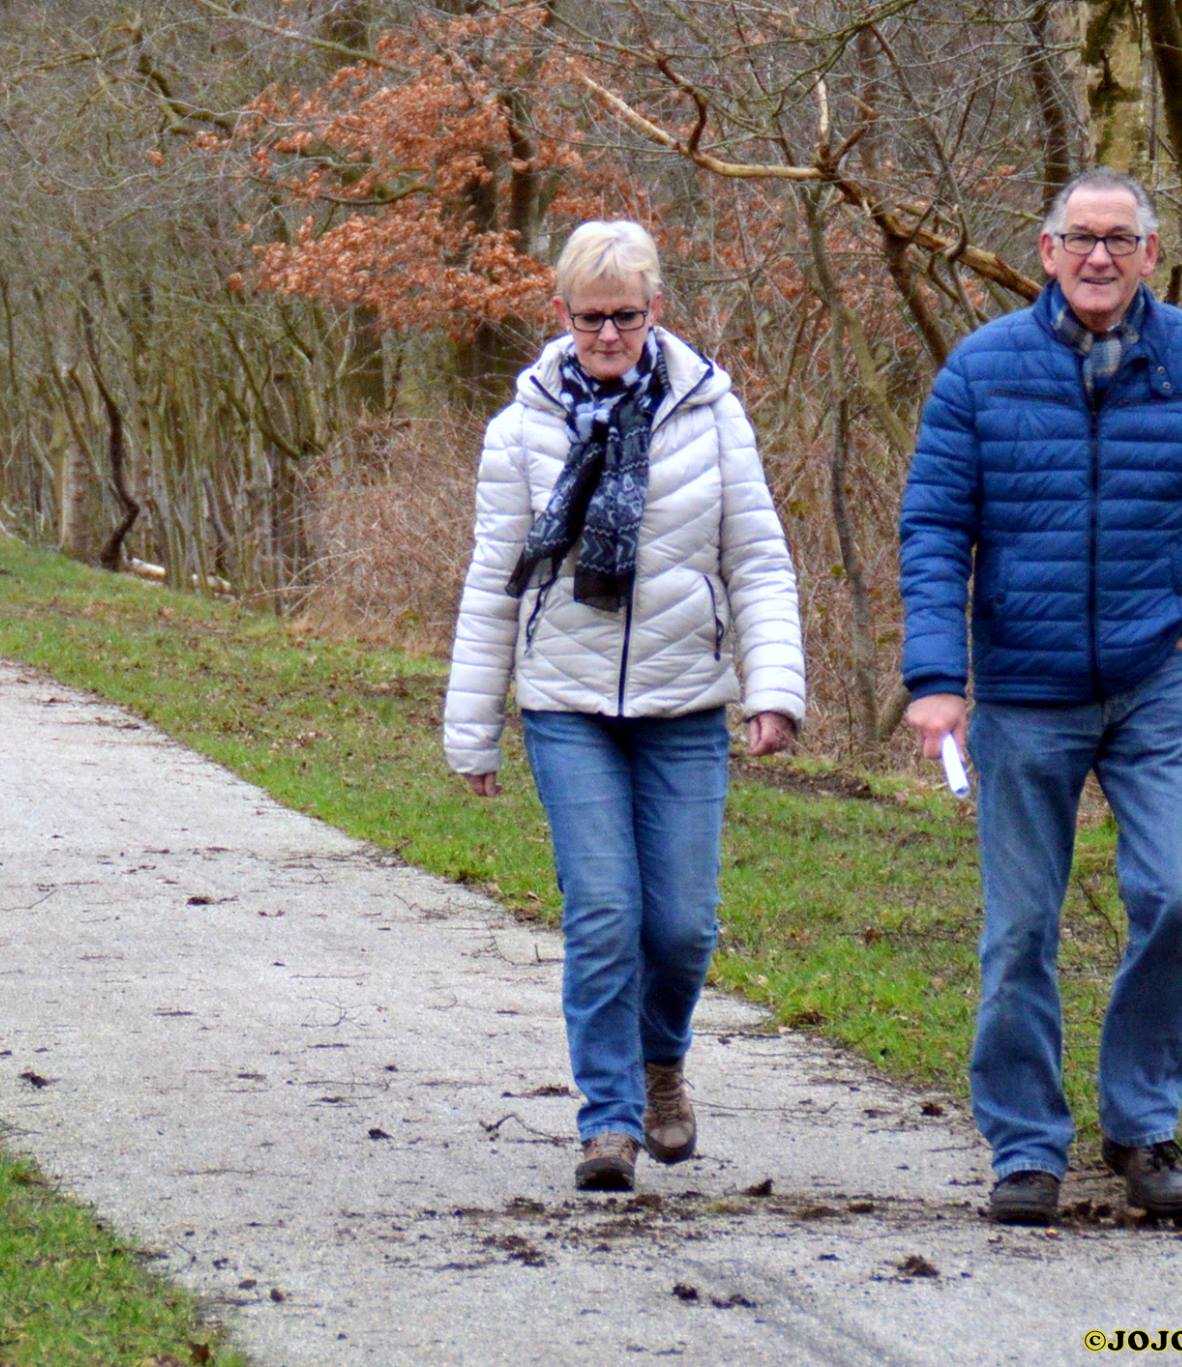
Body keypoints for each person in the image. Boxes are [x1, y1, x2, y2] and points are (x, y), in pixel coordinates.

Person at [899, 168, 1182, 1227]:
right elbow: (932, 527)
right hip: (1022, 686)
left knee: (1174, 894)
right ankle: (1024, 1145)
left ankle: (1139, 1124)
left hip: (1153, 680)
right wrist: (936, 676)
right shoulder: (980, 371)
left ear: (1150, 254)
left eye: (1119, 239)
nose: (1098, 257)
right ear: (1045, 249)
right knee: (1019, 926)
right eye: (1080, 238)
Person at [443, 221, 806, 1192]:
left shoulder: (708, 411)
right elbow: (494, 581)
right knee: (602, 910)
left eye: (625, 316)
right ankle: (605, 1119)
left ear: (654, 312)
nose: (607, 334)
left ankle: (660, 1062)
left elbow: (756, 558)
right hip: (564, 703)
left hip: (686, 701)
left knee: (680, 924)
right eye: (589, 317)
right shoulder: (520, 426)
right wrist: (473, 725)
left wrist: (772, 689)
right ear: (559, 316)